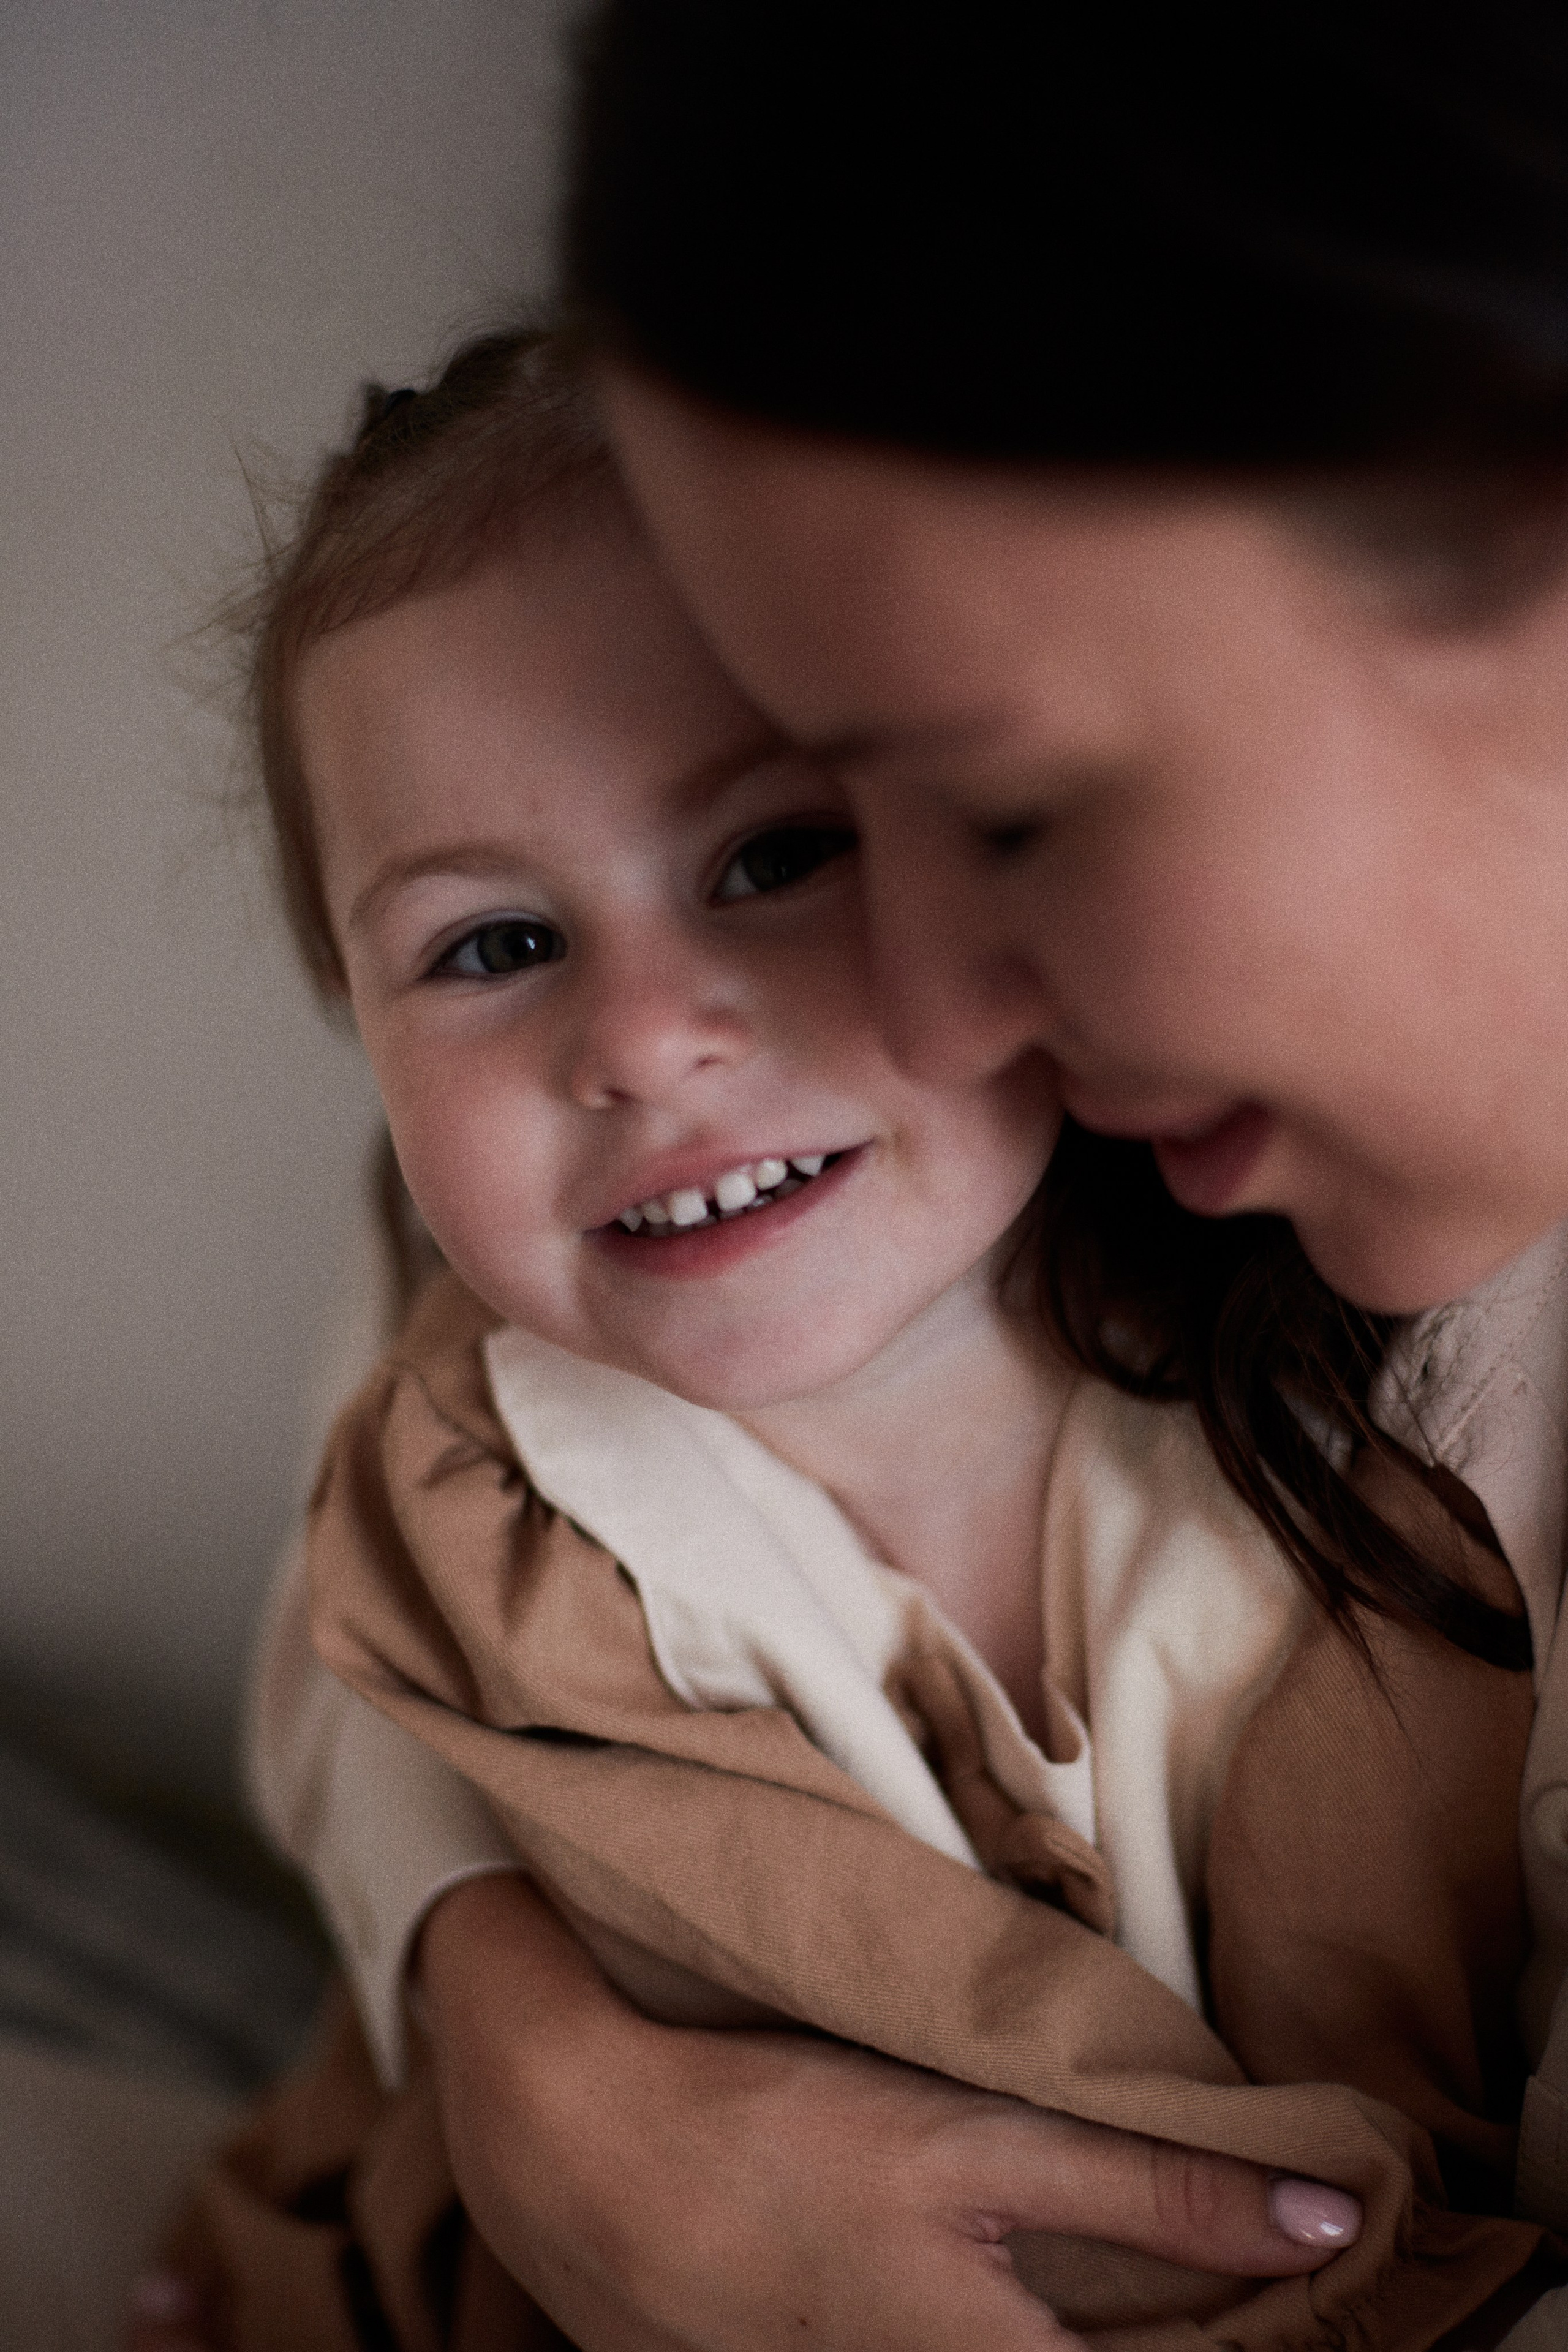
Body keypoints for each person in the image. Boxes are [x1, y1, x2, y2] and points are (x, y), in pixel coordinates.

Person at [138, 326, 1561, 2351]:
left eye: (775, 856)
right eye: (494, 947)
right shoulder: (513, 1514)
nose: (640, 1037)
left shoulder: (1360, 1324)